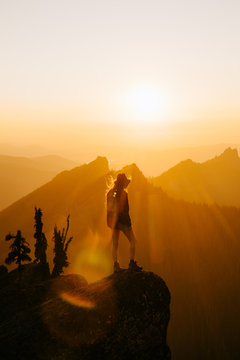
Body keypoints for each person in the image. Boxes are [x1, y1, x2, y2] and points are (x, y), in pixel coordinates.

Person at [107, 173, 142, 273]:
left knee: (115, 244)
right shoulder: (124, 194)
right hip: (124, 223)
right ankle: (131, 263)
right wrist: (128, 225)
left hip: (114, 223)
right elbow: (125, 211)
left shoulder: (110, 193)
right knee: (133, 241)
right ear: (123, 184)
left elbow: (109, 210)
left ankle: (115, 265)